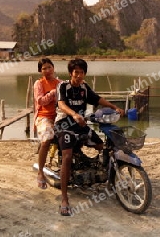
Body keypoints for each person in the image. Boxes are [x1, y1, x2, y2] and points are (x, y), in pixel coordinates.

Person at [54, 58, 125, 216]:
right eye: (76, 72)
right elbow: (61, 104)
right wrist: (73, 114)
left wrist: (114, 107)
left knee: (102, 146)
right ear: (71, 73)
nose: (79, 75)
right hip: (63, 125)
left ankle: (98, 172)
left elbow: (97, 99)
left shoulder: (84, 88)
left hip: (80, 126)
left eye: (82, 72)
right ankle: (64, 199)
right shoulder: (63, 86)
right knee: (67, 156)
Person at [33, 58, 62, 190]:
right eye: (44, 68)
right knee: (47, 139)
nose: (47, 70)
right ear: (40, 71)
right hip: (44, 117)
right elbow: (41, 101)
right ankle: (40, 172)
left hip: (59, 116)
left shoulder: (60, 83)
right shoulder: (39, 84)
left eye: (49, 67)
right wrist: (52, 93)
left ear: (53, 68)